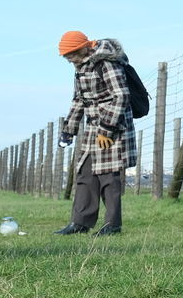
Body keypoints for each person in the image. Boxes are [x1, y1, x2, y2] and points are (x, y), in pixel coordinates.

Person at [54, 31, 137, 237]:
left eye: (71, 54)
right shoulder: (81, 67)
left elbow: (121, 95)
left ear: (83, 47)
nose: (68, 59)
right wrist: (68, 130)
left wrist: (107, 129)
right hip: (92, 129)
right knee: (85, 174)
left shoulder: (106, 62)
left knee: (108, 177)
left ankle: (112, 225)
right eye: (66, 56)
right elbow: (78, 100)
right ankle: (80, 222)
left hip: (112, 127)